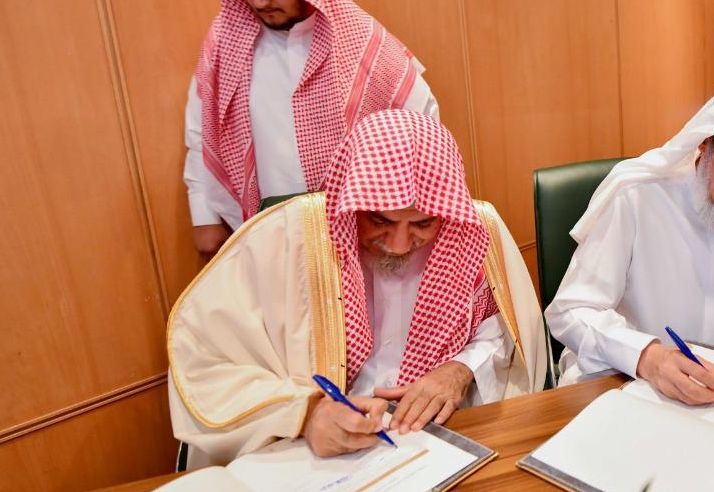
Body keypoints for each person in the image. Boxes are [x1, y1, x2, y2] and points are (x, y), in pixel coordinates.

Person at [169, 110, 548, 467]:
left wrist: (460, 369)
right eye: (380, 221)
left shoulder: (470, 230)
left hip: (439, 444)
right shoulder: (285, 239)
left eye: (422, 224)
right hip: (311, 456)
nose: (399, 244)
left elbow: (504, 330)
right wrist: (307, 413)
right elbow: (205, 356)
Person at [185, 0, 439, 257]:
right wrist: (203, 214)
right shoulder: (226, 44)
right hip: (269, 230)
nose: (258, 0)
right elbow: (202, 131)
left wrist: (406, 222)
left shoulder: (362, 42)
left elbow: (425, 132)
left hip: (360, 231)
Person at [546, 81, 714, 404]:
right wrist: (646, 356)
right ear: (705, 143)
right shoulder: (637, 197)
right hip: (627, 383)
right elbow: (571, 311)